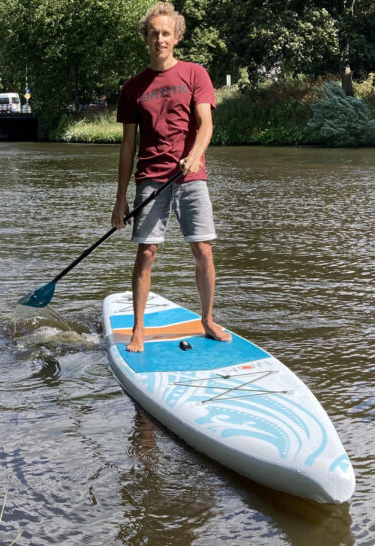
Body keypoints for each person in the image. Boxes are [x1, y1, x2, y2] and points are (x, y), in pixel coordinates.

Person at [111, 1, 231, 353]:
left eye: (166, 33)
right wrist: (120, 198)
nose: (160, 39)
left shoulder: (195, 74)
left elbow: (206, 124)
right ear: (146, 39)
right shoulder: (132, 88)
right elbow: (127, 146)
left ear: (176, 37)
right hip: (150, 177)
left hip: (191, 178)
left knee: (203, 250)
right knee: (146, 252)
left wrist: (194, 156)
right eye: (153, 33)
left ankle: (207, 319)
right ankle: (138, 329)